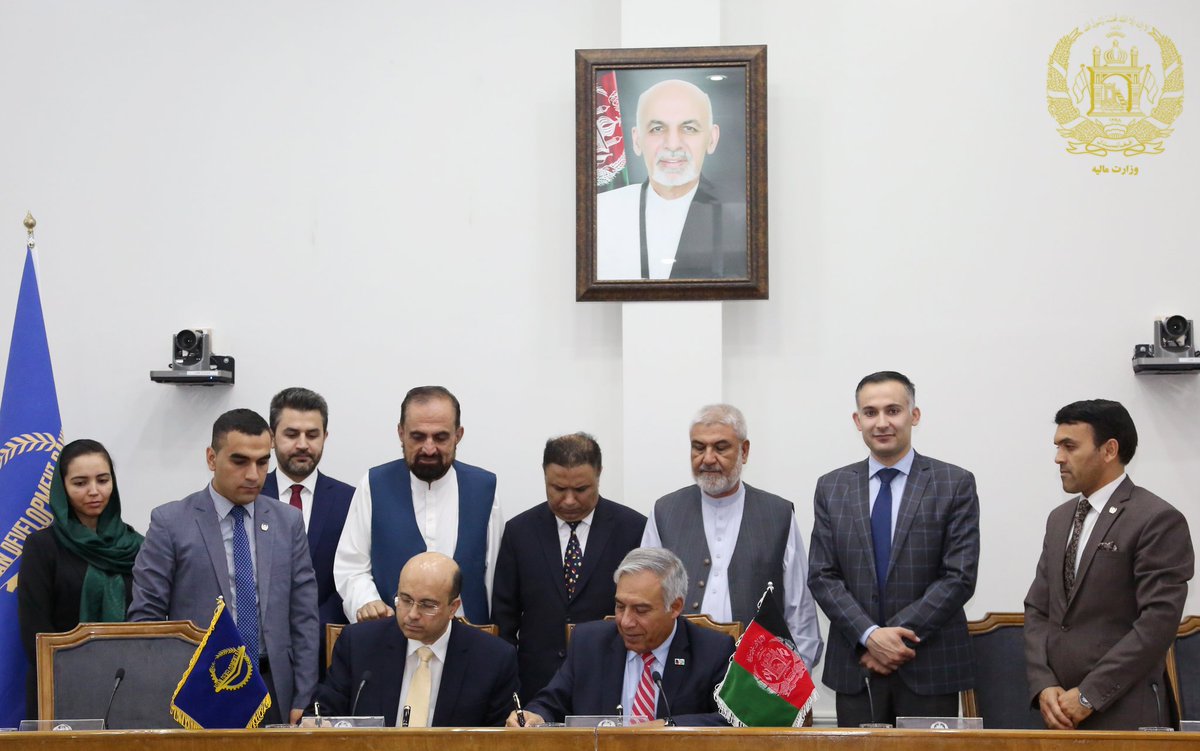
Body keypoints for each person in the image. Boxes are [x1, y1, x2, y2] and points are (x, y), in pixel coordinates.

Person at [808, 371, 980, 726]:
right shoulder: (832, 487)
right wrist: (869, 636)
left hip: (930, 664)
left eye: (893, 410)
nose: (882, 422)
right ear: (857, 421)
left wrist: (891, 639)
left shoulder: (954, 483)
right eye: (870, 412)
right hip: (856, 666)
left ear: (914, 415)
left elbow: (959, 576)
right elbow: (823, 575)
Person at [128, 409, 318, 725]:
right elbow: (146, 620)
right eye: (240, 461)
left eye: (262, 462)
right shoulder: (170, 523)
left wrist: (304, 696)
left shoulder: (288, 522)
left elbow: (305, 617)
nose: (253, 475)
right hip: (200, 688)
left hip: (273, 686)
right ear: (212, 458)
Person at [1025, 399, 1193, 731]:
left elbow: (1157, 624)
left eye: (1070, 446)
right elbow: (1038, 609)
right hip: (1058, 713)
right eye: (1058, 446)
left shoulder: (1156, 519)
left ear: (1109, 450)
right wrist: (1043, 684)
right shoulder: (1059, 519)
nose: (1058, 458)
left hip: (1126, 713)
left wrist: (1088, 695)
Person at [642, 404, 823, 673]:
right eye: (698, 448)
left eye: (721, 447)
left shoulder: (778, 514)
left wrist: (791, 679)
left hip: (756, 676)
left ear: (744, 451)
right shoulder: (664, 512)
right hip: (679, 671)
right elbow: (646, 597)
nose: (708, 458)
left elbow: (800, 610)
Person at [491, 433, 646, 700]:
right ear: (544, 476)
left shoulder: (632, 529)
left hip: (608, 679)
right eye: (558, 489)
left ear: (599, 474)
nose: (570, 500)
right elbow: (504, 618)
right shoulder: (519, 532)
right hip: (536, 684)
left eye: (581, 489)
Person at [508, 547, 734, 727]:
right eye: (620, 606)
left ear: (675, 607)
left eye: (641, 610)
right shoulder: (589, 643)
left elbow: (733, 720)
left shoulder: (712, 650)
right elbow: (551, 703)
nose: (625, 622)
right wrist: (534, 716)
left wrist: (668, 726)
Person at [334, 386, 502, 625]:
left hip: (467, 639)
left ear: (458, 435)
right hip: (391, 635)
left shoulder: (484, 490)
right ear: (401, 433)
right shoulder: (373, 484)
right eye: (418, 436)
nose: (429, 448)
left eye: (440, 437)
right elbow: (351, 566)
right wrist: (367, 602)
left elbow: (495, 577)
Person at [312, 552, 518, 726]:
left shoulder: (493, 659)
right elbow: (323, 713)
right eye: (405, 600)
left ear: (453, 607)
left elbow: (502, 738)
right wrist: (315, 722)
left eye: (427, 605)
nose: (411, 614)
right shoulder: (359, 644)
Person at [18, 439, 143, 719]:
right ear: (62, 487)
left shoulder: (137, 546)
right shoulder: (42, 547)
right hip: (59, 689)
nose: (94, 491)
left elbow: (151, 623)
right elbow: (35, 632)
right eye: (80, 483)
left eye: (103, 480)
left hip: (128, 686)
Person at [596, 78, 746, 281]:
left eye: (689, 128)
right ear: (637, 140)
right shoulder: (602, 213)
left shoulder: (742, 216)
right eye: (657, 129)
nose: (673, 144)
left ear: (712, 138)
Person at [261, 387, 354, 666]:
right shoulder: (250, 497)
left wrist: (311, 630)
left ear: (325, 437)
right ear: (272, 437)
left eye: (312, 435)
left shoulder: (350, 500)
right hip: (259, 652)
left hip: (327, 651)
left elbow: (352, 575)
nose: (302, 444)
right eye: (291, 434)